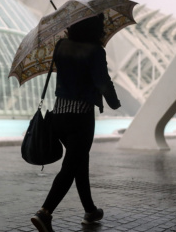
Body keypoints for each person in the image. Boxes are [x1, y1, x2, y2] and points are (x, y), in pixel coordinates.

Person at [31, 13, 121, 232]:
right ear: (95, 28)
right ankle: (45, 212)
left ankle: (90, 211)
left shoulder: (61, 46)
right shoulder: (96, 51)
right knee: (70, 167)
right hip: (80, 116)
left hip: (59, 115)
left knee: (79, 161)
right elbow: (102, 81)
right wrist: (114, 102)